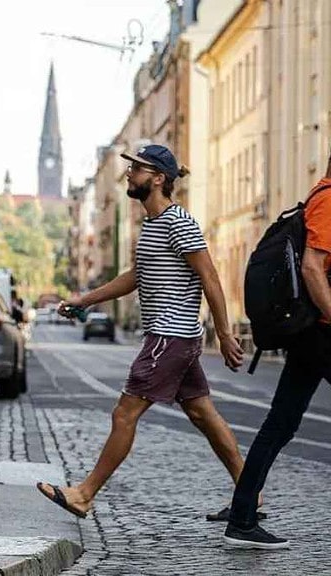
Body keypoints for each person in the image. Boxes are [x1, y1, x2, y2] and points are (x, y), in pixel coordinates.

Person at [36, 144, 246, 519]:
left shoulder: (178, 222)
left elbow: (210, 276)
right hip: (175, 337)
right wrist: (86, 299)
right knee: (203, 414)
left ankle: (83, 494)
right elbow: (135, 277)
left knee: (124, 414)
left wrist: (226, 333)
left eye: (137, 169)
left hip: (170, 336)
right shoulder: (153, 225)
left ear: (158, 178)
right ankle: (250, 497)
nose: (129, 174)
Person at [223, 158, 331, 549]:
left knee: (280, 424)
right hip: (320, 333)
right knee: (278, 424)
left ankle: (242, 518)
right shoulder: (329, 199)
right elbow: (313, 269)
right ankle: (241, 518)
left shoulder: (319, 196)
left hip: (309, 335)